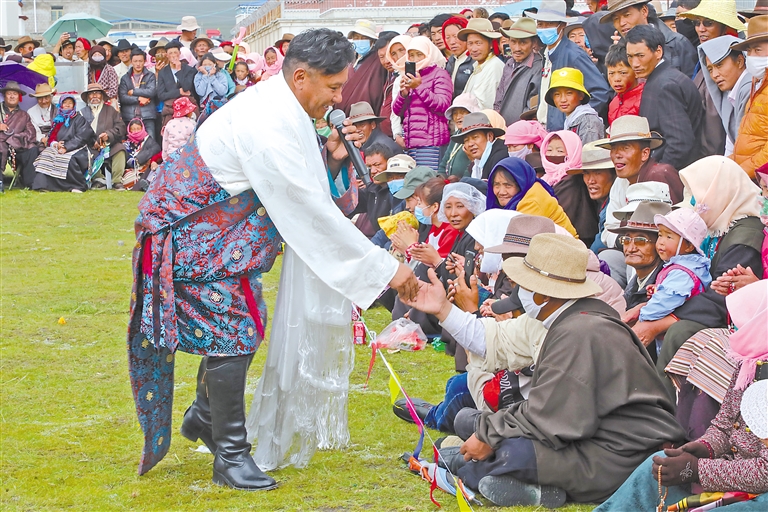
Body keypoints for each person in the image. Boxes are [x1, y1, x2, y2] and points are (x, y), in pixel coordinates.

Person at [127, 29, 418, 488]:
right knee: (235, 332)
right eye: (334, 87)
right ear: (301, 77)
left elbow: (304, 187)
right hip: (192, 234)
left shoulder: (282, 105)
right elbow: (307, 209)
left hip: (221, 238)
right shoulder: (266, 120)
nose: (338, 99)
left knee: (244, 324)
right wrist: (387, 269)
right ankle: (229, 454)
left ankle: (205, 417)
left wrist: (333, 161)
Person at [402, 232, 683, 507]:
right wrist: (442, 309)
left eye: (525, 284)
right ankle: (505, 475)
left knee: (513, 452)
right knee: (472, 423)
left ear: (543, 293)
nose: (518, 291)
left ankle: (484, 472)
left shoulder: (580, 331)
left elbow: (551, 418)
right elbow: (493, 341)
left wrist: (489, 435)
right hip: (591, 436)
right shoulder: (568, 317)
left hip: (622, 454)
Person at [596, 280, 768, 512]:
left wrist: (697, 470)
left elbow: (765, 472)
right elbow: (725, 425)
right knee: (658, 465)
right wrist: (704, 447)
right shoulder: (749, 364)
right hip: (734, 473)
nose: (733, 331)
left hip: (761, 492)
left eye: (741, 325)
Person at [645, 157, 765, 400]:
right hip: (711, 309)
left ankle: (664, 410)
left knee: (679, 331)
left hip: (735, 320)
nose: (693, 203)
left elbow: (721, 300)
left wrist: (662, 321)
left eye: (696, 194)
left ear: (718, 191)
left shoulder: (746, 234)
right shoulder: (719, 226)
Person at [627, 209, 712, 355]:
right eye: (660, 235)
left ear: (689, 246)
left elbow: (664, 302)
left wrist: (644, 315)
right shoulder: (682, 266)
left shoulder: (682, 272)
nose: (661, 242)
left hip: (679, 343)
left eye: (669, 237)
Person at [598, 115, 684, 251]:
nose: (617, 155)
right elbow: (608, 229)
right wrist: (626, 241)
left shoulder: (659, 175)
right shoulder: (619, 182)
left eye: (625, 148)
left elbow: (674, 233)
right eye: (613, 149)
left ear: (645, 153)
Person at [625, 25, 704, 169]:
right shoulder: (662, 78)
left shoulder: (666, 86)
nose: (635, 64)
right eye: (630, 57)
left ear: (658, 52)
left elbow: (679, 143)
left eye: (640, 56)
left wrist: (659, 175)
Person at [528, 0, 611, 132]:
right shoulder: (546, 54)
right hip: (548, 128)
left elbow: (599, 92)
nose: (544, 28)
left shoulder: (574, 55)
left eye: (549, 24)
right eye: (540, 24)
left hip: (566, 130)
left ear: (562, 25)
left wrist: (577, 121)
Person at [392, 36, 451, 170]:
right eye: (411, 55)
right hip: (411, 142)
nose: (415, 59)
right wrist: (403, 94)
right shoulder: (408, 76)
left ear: (429, 54)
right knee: (415, 180)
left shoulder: (439, 74)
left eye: (419, 54)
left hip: (431, 142)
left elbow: (443, 105)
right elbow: (397, 111)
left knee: (428, 179)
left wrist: (418, 87)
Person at [600, 0, 698, 77]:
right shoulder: (620, 49)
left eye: (627, 15)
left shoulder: (676, 43)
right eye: (616, 19)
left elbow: (692, 88)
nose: (622, 23)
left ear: (644, 11)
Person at [486, 157, 578, 236]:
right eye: (496, 185)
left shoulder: (532, 201)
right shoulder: (525, 193)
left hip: (566, 248)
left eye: (508, 185)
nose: (501, 192)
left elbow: (519, 239)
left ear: (521, 183)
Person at [608, 201, 669, 311]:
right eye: (626, 240)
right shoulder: (636, 282)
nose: (631, 248)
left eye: (640, 241)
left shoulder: (666, 286)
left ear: (660, 245)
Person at [698, 36, 751, 157]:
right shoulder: (730, 94)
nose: (714, 75)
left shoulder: (749, 89)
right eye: (710, 69)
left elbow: (745, 147)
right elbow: (731, 146)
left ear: (740, 61)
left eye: (719, 65)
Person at [730, 15, 768, 178]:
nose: (751, 56)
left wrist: (740, 173)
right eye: (749, 51)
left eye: (757, 50)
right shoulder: (758, 84)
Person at [31, 94, 94, 193]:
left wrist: (66, 147)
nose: (67, 105)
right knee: (46, 154)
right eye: (65, 103)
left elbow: (82, 137)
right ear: (61, 105)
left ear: (74, 105)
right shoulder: (58, 120)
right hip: (59, 147)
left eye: (70, 103)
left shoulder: (79, 119)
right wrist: (56, 144)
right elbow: (51, 137)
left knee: (67, 158)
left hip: (77, 147)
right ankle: (43, 185)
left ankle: (76, 186)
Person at [566, 143, 617, 254]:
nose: (590, 180)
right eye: (586, 173)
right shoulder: (597, 203)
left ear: (614, 174)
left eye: (598, 173)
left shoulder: (616, 204)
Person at [335, 20, 389, 118]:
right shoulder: (349, 60)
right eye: (356, 38)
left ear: (372, 41)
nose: (360, 40)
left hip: (368, 117)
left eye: (364, 38)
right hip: (343, 116)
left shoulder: (378, 60)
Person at [494, 17, 543, 124]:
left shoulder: (538, 68)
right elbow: (499, 96)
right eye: (513, 42)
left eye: (523, 43)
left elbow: (531, 108)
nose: (517, 48)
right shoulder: (509, 64)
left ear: (533, 43)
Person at [80, 83, 127, 190]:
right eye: (91, 94)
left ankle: (117, 181)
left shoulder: (111, 111)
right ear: (87, 97)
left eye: (97, 93)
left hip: (109, 145)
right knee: (85, 151)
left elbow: (120, 127)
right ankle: (98, 179)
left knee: (120, 149)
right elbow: (79, 131)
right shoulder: (82, 113)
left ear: (102, 96)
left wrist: (108, 135)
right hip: (91, 146)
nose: (94, 96)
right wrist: (92, 141)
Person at [545, 67, 605, 144]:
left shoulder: (588, 123)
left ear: (581, 95)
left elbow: (589, 151)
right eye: (557, 94)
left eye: (569, 93)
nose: (563, 99)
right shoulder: (570, 120)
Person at [455, 18, 504, 110]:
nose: (474, 49)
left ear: (490, 44)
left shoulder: (494, 66)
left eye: (478, 43)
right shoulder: (479, 65)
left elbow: (487, 105)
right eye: (470, 43)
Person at [0, 81, 40, 189]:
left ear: (19, 97)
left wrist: (14, 139)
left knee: (33, 149)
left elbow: (31, 133)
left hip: (17, 146)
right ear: (4, 96)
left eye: (15, 94)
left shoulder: (24, 115)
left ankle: (30, 182)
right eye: (9, 93)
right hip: (1, 145)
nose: (12, 96)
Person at [450, 112, 507, 179]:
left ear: (490, 136)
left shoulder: (500, 159)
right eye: (466, 140)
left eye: (475, 137)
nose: (470, 144)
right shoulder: (476, 162)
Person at [156, 40, 198, 128]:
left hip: (188, 108)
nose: (173, 55)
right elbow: (161, 95)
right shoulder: (162, 72)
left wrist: (179, 70)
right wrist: (179, 92)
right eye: (170, 53)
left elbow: (186, 87)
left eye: (175, 52)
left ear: (179, 53)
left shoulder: (189, 70)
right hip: (171, 108)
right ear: (167, 55)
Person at [119, 48, 157, 138]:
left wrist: (134, 91)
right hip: (129, 116)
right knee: (131, 142)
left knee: (150, 141)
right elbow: (123, 97)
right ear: (131, 62)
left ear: (145, 61)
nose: (138, 64)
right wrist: (138, 99)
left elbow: (151, 91)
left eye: (140, 61)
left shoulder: (150, 76)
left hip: (147, 115)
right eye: (135, 61)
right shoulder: (125, 78)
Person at [439, 94, 479, 177]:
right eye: (455, 113)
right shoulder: (456, 135)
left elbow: (473, 165)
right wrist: (441, 178)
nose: (457, 117)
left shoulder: (477, 135)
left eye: (463, 112)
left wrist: (460, 182)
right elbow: (444, 163)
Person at [605, 42, 644, 124]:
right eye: (611, 73)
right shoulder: (613, 103)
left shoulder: (644, 99)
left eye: (623, 73)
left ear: (636, 72)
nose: (616, 79)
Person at [121, 119, 161, 190]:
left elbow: (156, 148)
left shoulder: (148, 140)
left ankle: (143, 184)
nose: (136, 131)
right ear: (130, 130)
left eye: (138, 129)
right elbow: (128, 160)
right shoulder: (127, 144)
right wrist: (134, 162)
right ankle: (142, 185)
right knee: (126, 180)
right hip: (132, 170)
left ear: (142, 129)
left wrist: (139, 158)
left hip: (145, 167)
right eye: (133, 129)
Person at [442, 16, 474, 99]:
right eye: (447, 37)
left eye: (455, 36)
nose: (452, 42)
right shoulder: (450, 61)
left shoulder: (475, 60)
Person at [194, 52, 229, 124]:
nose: (207, 66)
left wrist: (212, 77)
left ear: (214, 64)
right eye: (205, 65)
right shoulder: (198, 76)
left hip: (219, 106)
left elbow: (222, 91)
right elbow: (200, 92)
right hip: (204, 108)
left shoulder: (221, 76)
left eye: (210, 64)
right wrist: (205, 75)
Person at [161, 96, 196, 161]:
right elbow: (193, 143)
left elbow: (165, 142)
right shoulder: (191, 124)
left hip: (171, 156)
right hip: (185, 155)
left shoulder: (169, 123)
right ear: (187, 112)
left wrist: (165, 158)